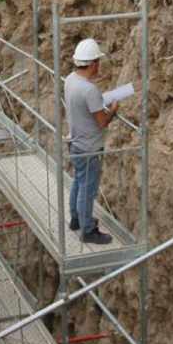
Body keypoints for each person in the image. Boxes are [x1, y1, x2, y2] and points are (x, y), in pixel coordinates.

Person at [64, 38, 118, 245]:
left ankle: (76, 220)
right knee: (87, 189)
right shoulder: (89, 90)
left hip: (76, 144)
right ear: (93, 63)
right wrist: (112, 110)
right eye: (98, 62)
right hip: (89, 148)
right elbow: (102, 122)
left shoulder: (70, 79)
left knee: (78, 182)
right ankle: (88, 230)